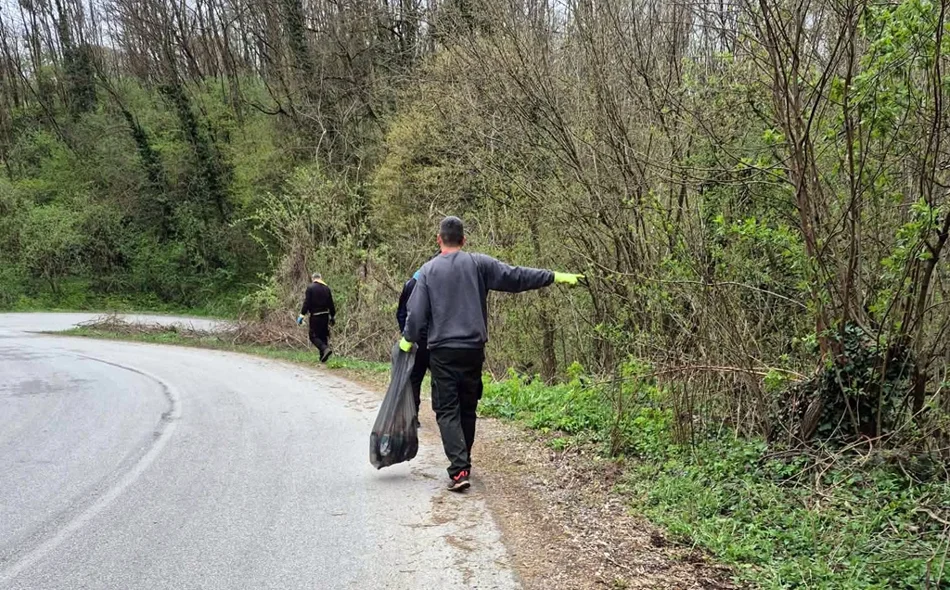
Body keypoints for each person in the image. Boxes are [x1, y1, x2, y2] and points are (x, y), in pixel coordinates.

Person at [400, 216, 583, 492]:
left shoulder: (428, 271)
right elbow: (516, 276)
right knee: (467, 407)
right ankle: (463, 462)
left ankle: (459, 469)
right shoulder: (479, 264)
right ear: (463, 240)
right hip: (473, 350)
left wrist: (407, 340)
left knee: (447, 409)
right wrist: (554, 276)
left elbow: (416, 314)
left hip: (443, 352)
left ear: (439, 240)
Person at [397, 268, 430, 416]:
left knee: (414, 379)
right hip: (438, 341)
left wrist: (406, 334)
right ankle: (444, 418)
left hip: (416, 340)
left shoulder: (411, 283)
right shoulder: (443, 282)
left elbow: (401, 313)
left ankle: (412, 415)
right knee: (441, 380)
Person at [297, 272, 336, 363]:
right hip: (325, 315)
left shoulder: (310, 288)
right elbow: (331, 304)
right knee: (323, 336)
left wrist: (302, 315)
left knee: (313, 336)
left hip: (315, 316)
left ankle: (325, 349)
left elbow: (307, 303)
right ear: (320, 278)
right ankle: (323, 359)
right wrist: (332, 316)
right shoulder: (327, 288)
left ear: (313, 278)